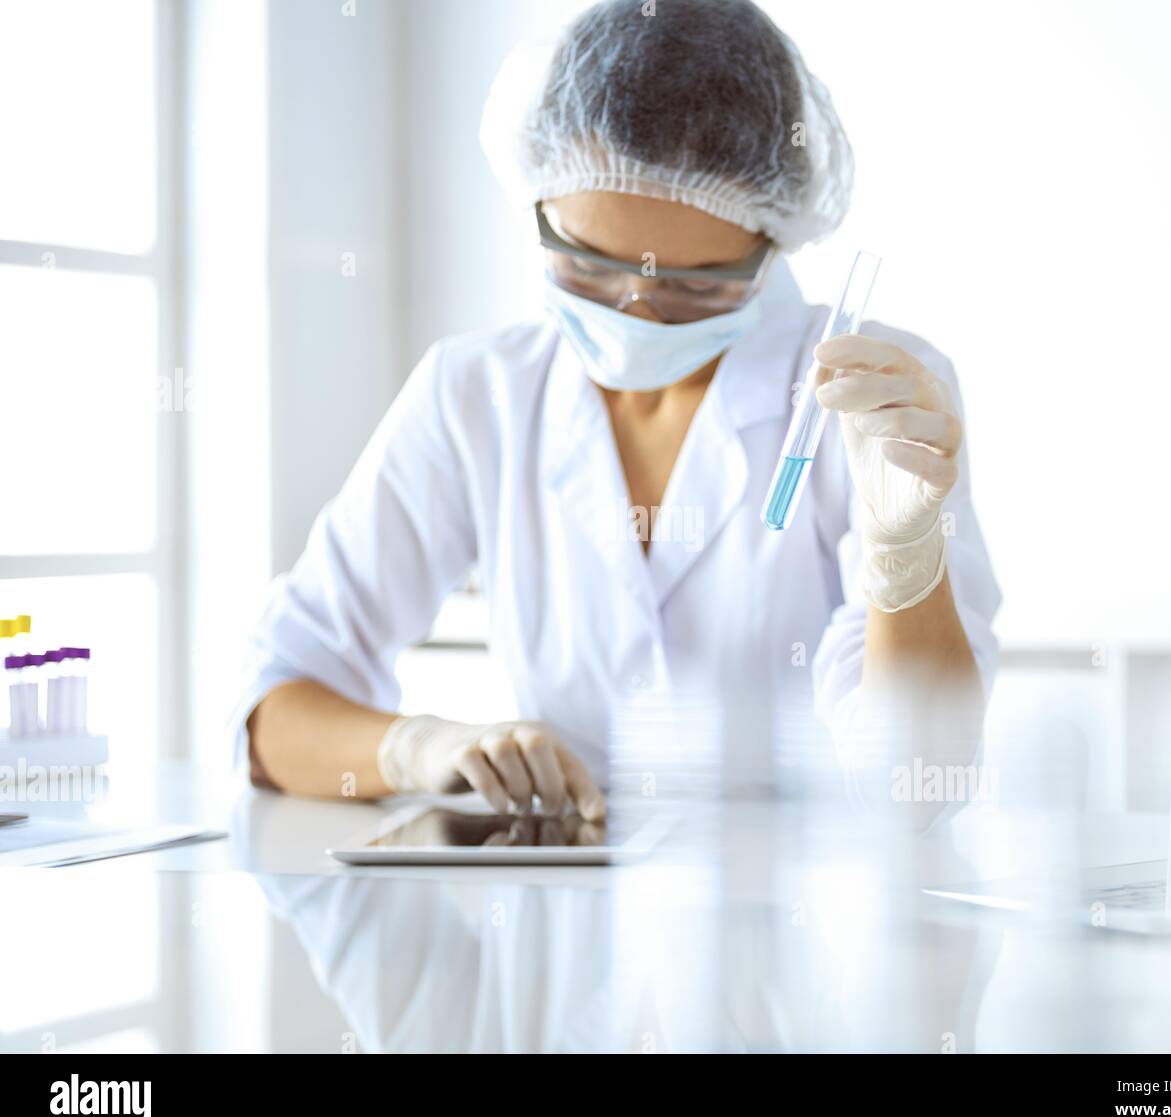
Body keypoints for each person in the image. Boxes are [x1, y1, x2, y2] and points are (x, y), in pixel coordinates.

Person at [236, 0, 1000, 827]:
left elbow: (919, 791)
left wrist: (906, 556)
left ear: (773, 239)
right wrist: (421, 746)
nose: (634, 313)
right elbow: (273, 715)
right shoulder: (477, 395)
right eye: (588, 267)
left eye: (693, 287)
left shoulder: (877, 402)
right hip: (561, 924)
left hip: (796, 926)